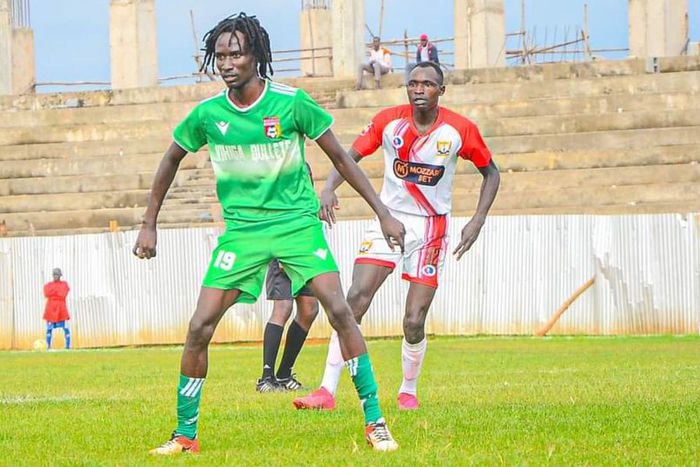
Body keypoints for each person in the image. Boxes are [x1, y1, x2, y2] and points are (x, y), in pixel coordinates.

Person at [134, 12, 403, 455]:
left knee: (339, 310)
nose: (226, 63)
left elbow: (341, 158)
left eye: (235, 54)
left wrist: (383, 213)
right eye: (220, 55)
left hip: (296, 224)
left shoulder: (292, 103)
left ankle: (376, 422)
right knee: (199, 326)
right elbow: (170, 159)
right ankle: (185, 434)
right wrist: (149, 223)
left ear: (256, 55)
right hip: (242, 232)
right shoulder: (208, 114)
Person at [293, 61, 500, 412]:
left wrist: (477, 220)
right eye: (413, 83)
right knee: (354, 299)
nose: (419, 89)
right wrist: (328, 188)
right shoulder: (388, 122)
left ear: (441, 90)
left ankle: (408, 390)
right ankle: (326, 390)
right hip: (387, 219)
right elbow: (348, 157)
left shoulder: (460, 129)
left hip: (431, 228)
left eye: (427, 84)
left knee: (414, 320)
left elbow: (491, 173)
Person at [256, 259, 319, 392]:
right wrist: (280, 256)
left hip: (304, 257)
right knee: (283, 307)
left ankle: (284, 376)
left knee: (309, 309)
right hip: (283, 252)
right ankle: (266, 379)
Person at [43, 268, 71, 350]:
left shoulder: (64, 284)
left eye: (57, 274)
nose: (55, 276)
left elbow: (63, 294)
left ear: (60, 275)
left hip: (61, 309)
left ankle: (67, 347)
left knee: (66, 328)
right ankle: (48, 346)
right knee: (49, 329)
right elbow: (46, 293)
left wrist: (53, 293)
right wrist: (57, 293)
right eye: (54, 274)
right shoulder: (48, 285)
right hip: (50, 309)